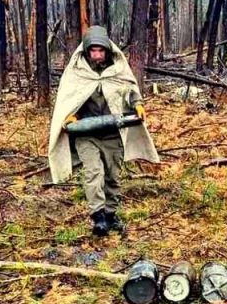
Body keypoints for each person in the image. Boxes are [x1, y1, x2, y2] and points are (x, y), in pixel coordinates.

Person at [47, 26, 159, 236]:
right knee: (93, 173)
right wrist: (72, 116)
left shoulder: (117, 69)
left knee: (112, 176)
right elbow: (70, 97)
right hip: (86, 134)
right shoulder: (78, 72)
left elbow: (129, 89)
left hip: (112, 132)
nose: (97, 55)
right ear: (87, 52)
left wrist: (138, 104)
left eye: (101, 50)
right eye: (93, 51)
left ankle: (110, 215)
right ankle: (98, 217)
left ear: (107, 51)